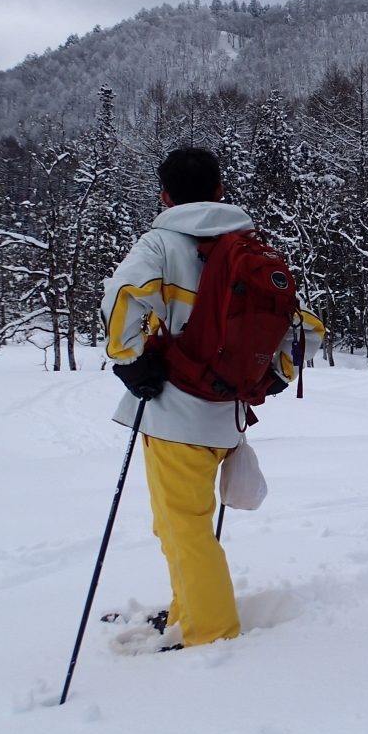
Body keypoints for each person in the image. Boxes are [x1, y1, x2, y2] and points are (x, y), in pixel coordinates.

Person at [100, 147, 252, 650]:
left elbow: (121, 297)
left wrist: (130, 359)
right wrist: (268, 375)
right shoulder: (248, 247)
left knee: (182, 527)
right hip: (225, 413)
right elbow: (303, 328)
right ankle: (190, 608)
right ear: (219, 190)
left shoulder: (161, 245)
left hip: (175, 412)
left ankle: (213, 632)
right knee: (178, 523)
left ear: (164, 195)